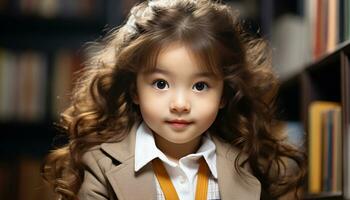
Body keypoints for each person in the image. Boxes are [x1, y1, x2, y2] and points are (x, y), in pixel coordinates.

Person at [42, 0, 306, 199]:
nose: (180, 103)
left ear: (224, 94)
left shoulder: (252, 162)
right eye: (160, 84)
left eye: (200, 86)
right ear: (135, 89)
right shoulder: (99, 164)